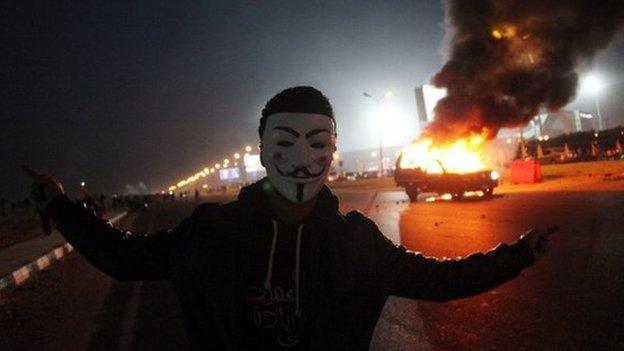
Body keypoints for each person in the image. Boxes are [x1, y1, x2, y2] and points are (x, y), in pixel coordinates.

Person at [25, 86, 551, 350]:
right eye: (285, 142)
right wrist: (58, 204)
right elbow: (123, 257)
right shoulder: (212, 233)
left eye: (317, 142)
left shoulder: (357, 242)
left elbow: (438, 281)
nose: (302, 159)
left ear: (334, 151)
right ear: (261, 150)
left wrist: (517, 256)